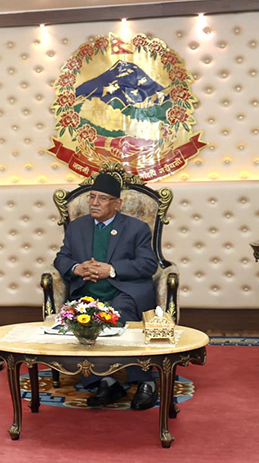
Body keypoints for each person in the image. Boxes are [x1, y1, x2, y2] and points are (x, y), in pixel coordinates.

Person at [54, 172, 159, 410]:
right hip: (87, 293)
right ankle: (107, 382)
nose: (94, 203)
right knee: (80, 323)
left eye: (102, 198)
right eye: (91, 197)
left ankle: (145, 381)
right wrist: (77, 268)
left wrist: (111, 270)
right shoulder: (77, 227)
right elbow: (61, 258)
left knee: (118, 319)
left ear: (117, 203)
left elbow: (148, 264)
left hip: (123, 291)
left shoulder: (136, 228)